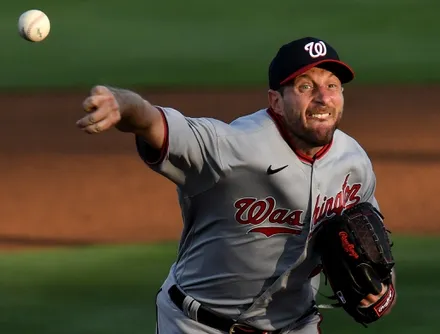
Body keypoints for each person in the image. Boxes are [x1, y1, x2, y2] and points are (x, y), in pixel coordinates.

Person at [76, 37, 396, 334]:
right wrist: (122, 104)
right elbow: (153, 121)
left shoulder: (353, 160)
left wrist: (382, 287)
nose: (323, 97)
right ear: (276, 101)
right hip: (197, 324)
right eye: (305, 86)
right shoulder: (233, 146)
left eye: (332, 86)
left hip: (296, 325)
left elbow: (372, 237)